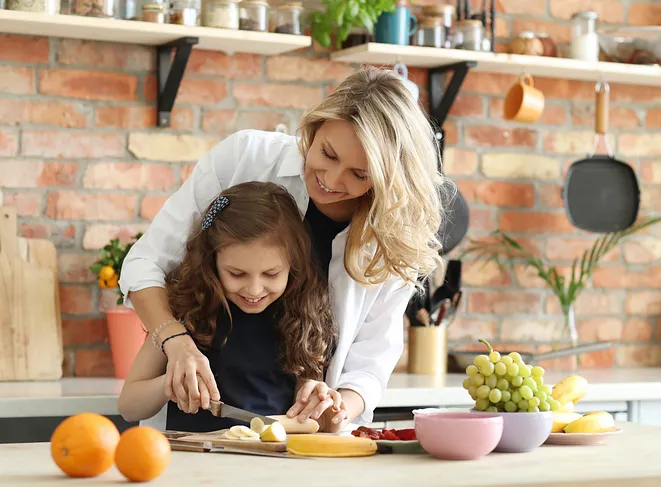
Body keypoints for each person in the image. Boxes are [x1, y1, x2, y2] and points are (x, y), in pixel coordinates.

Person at [118, 66, 449, 432]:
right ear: (315, 127)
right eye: (328, 154)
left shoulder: (391, 236)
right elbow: (145, 263)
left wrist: (336, 405)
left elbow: (370, 365)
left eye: (360, 174)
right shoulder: (247, 157)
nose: (332, 181)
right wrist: (175, 342)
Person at [118, 182, 339, 431]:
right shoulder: (186, 310)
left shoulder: (303, 319)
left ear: (294, 265)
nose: (254, 290)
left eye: (271, 274)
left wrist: (319, 401)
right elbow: (129, 406)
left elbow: (312, 416)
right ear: (212, 262)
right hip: (197, 462)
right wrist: (171, 384)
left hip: (273, 462)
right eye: (237, 274)